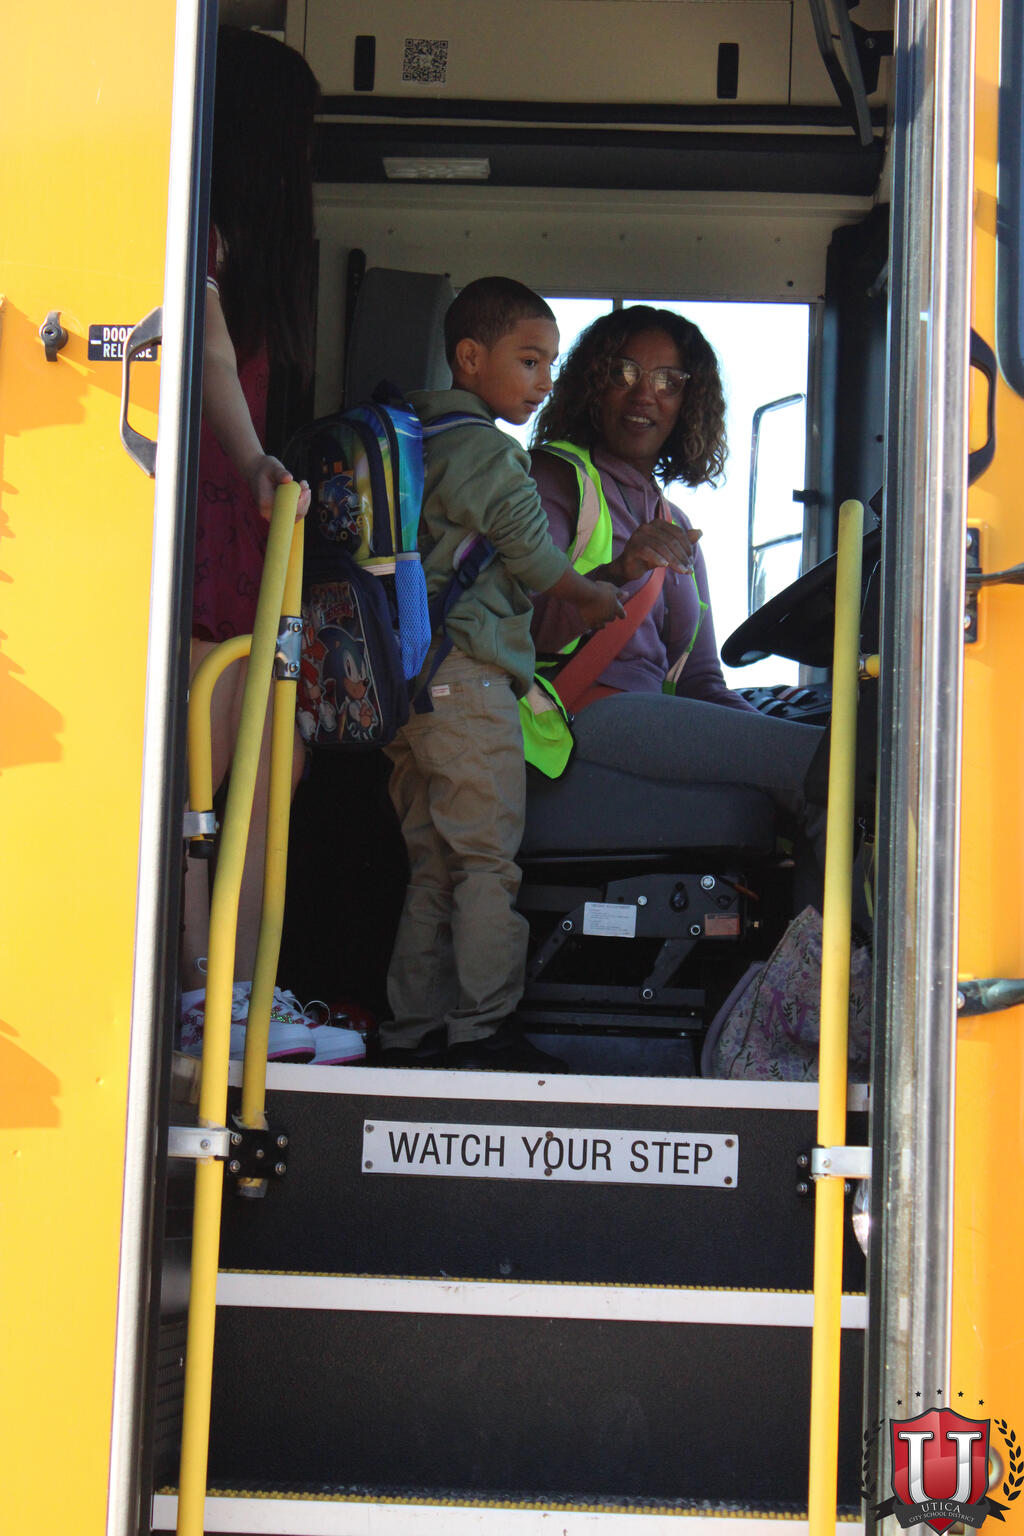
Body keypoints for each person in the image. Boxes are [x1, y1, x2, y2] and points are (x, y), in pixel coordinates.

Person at [379, 277, 624, 1072]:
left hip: (406, 687)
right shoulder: (485, 450)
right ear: (469, 357)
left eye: (550, 362)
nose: (545, 380)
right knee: (486, 863)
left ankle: (413, 1030)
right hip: (470, 679)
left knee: (432, 867)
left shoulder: (413, 438)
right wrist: (595, 597)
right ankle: (483, 1027)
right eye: (529, 360)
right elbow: (535, 558)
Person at [180, 29, 361, 1066]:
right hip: (197, 533)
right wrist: (256, 460)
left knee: (264, 766)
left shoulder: (239, 250)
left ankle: (237, 989)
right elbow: (208, 355)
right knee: (206, 779)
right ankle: (200, 992)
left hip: (233, 537)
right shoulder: (191, 231)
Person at [528, 306, 825, 885]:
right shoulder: (555, 479)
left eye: (669, 381)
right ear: (594, 383)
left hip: (655, 716)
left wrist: (765, 736)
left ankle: (820, 941)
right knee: (830, 763)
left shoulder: (676, 524)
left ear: (689, 401)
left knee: (830, 769)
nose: (645, 394)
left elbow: (701, 683)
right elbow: (523, 627)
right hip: (577, 714)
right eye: (625, 372)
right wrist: (619, 571)